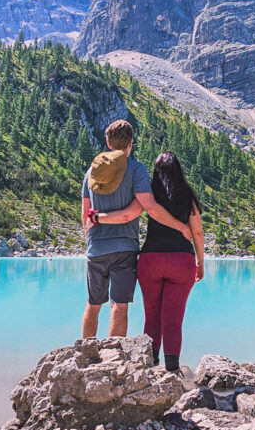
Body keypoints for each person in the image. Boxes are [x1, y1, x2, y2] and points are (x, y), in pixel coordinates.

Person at [81, 120, 190, 340]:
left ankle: (85, 354)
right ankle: (113, 361)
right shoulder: (136, 169)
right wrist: (181, 227)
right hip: (124, 249)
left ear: (108, 142)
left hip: (96, 249)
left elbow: (86, 214)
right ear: (131, 143)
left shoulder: (91, 171)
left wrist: (92, 237)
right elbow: (148, 208)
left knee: (93, 304)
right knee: (119, 306)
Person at [135, 152, 205, 371]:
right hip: (181, 261)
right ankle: (172, 370)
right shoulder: (187, 195)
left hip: (150, 260)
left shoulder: (149, 194)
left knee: (151, 315)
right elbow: (198, 233)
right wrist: (200, 263)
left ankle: (150, 366)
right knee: (173, 319)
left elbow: (131, 214)